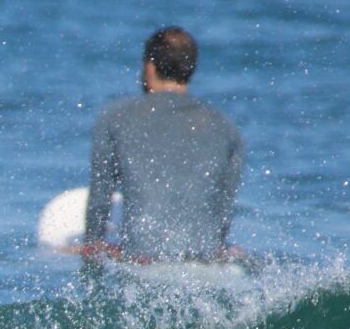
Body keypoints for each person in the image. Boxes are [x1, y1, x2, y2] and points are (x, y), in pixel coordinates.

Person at [83, 27, 244, 262]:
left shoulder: (116, 118)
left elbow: (100, 201)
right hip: (203, 263)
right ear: (191, 68)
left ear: (149, 66)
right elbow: (223, 212)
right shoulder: (226, 127)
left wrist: (92, 250)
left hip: (143, 261)